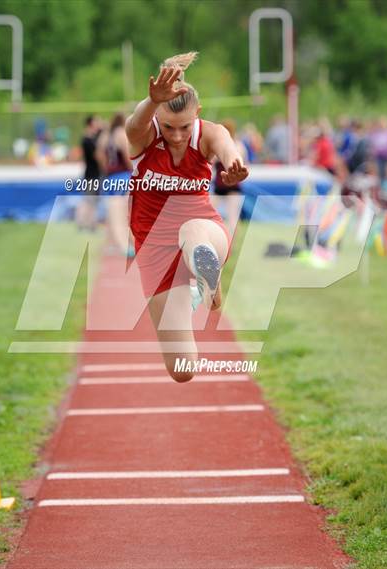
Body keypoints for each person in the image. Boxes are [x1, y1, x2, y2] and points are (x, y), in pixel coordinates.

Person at [125, 52, 248, 382]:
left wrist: (233, 164)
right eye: (168, 127)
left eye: (184, 127)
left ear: (198, 116)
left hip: (203, 231)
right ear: (157, 120)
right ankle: (199, 285)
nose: (177, 136)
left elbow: (226, 145)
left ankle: (208, 272)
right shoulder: (144, 136)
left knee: (191, 230)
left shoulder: (208, 133)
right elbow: (135, 122)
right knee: (183, 369)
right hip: (155, 251)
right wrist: (151, 103)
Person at [96, 112, 134, 256]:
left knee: (115, 213)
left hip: (111, 178)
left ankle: (122, 244)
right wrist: (134, 169)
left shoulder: (105, 135)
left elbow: (99, 154)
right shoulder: (121, 133)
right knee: (127, 213)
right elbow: (127, 155)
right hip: (124, 176)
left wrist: (106, 168)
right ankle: (128, 245)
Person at [212, 119, 246, 236]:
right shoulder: (216, 146)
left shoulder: (238, 145)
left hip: (233, 187)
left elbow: (241, 162)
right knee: (210, 212)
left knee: (233, 216)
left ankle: (231, 242)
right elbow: (211, 162)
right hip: (219, 186)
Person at [75, 114, 102, 231]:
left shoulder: (91, 139)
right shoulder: (88, 140)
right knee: (89, 200)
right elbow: (98, 157)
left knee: (91, 200)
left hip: (92, 174)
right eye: (96, 122)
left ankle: (89, 222)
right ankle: (83, 222)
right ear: (91, 124)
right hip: (91, 175)